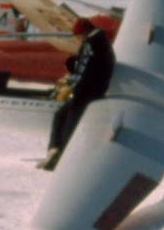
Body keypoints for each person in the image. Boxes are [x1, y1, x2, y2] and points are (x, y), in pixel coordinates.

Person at [38, 18, 116, 171]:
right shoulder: (100, 42)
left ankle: (61, 160)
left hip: (86, 92)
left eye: (78, 36)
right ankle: (54, 153)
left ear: (84, 32)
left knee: (69, 125)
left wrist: (77, 91)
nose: (77, 39)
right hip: (91, 90)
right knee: (61, 115)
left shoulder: (91, 44)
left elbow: (87, 70)